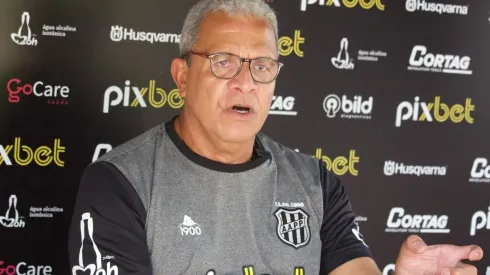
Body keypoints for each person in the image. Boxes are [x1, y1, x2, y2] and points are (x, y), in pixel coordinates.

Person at [68, 0, 483, 274]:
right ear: (182, 75)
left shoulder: (315, 182)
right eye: (224, 62)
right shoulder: (119, 183)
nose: (245, 82)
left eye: (262, 66)